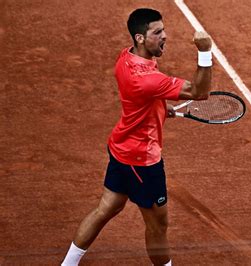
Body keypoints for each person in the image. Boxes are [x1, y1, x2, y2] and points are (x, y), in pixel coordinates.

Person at [61, 8, 212, 266]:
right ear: (140, 38)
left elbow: (143, 100)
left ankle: (67, 264)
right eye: (157, 32)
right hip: (143, 161)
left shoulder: (125, 58)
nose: (165, 36)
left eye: (163, 29)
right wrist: (205, 51)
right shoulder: (149, 80)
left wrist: (162, 110)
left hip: (120, 148)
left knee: (107, 208)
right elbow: (200, 92)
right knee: (157, 225)